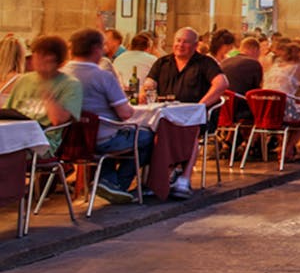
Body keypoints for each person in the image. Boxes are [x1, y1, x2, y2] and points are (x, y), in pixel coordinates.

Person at [63, 29, 153, 204]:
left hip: (68, 139)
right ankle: (117, 183)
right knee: (148, 137)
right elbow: (125, 113)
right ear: (96, 49)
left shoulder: (61, 74)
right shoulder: (102, 76)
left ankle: (107, 179)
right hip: (100, 139)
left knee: (116, 135)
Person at [142, 27, 228, 199]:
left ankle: (184, 178)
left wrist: (200, 106)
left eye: (186, 42)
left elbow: (222, 83)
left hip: (195, 117)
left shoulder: (205, 63)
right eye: (178, 40)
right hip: (166, 115)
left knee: (190, 131)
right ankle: (159, 179)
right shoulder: (162, 63)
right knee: (147, 133)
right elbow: (148, 84)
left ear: (195, 45)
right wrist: (146, 91)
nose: (180, 45)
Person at [5, 35, 82, 155]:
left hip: (42, 142)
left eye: (44, 55)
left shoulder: (71, 85)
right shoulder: (24, 80)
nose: (38, 59)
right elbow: (7, 111)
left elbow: (59, 120)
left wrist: (45, 88)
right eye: (36, 54)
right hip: (15, 137)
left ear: (57, 61)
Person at [220, 37, 263, 121]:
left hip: (223, 107)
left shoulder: (224, 62)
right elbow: (256, 91)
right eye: (259, 52)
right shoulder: (254, 64)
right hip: (241, 108)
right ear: (254, 49)